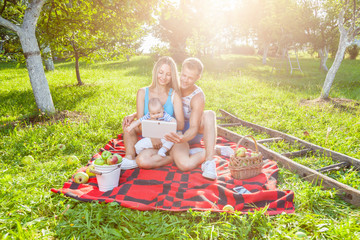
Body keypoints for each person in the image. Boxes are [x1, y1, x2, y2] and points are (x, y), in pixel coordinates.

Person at [164, 57, 233, 180]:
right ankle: (214, 149)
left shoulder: (198, 96)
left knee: (209, 114)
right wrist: (134, 115)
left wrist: (182, 139)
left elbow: (194, 127)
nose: (185, 80)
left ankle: (209, 161)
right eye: (183, 75)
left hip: (192, 131)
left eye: (190, 78)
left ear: (198, 78)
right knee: (185, 165)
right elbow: (154, 101)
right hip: (176, 130)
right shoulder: (173, 85)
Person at [121, 56, 184, 169]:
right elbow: (140, 122)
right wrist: (152, 136)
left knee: (143, 161)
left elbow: (180, 124)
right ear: (155, 72)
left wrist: (158, 134)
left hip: (167, 138)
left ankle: (172, 156)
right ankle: (129, 157)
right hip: (148, 136)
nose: (163, 77)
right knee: (127, 124)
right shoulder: (142, 92)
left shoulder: (174, 95)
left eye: (168, 74)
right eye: (161, 72)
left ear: (172, 76)